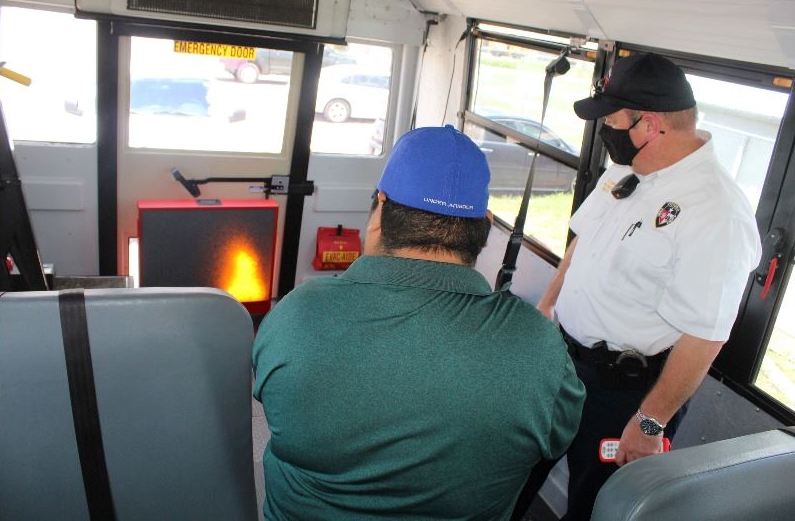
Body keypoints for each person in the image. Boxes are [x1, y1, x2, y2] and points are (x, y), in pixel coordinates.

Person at [252, 125, 585, 520]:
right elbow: (557, 436)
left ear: (380, 209)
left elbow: (271, 404)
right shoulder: (539, 345)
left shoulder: (295, 315)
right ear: (484, 228)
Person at [535, 53, 762, 520]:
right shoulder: (628, 168)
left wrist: (649, 422)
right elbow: (584, 241)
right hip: (559, 364)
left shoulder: (717, 212)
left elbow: (706, 334)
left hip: (622, 395)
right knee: (519, 468)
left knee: (595, 504)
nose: (607, 133)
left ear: (650, 124)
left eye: (614, 121)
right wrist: (547, 305)